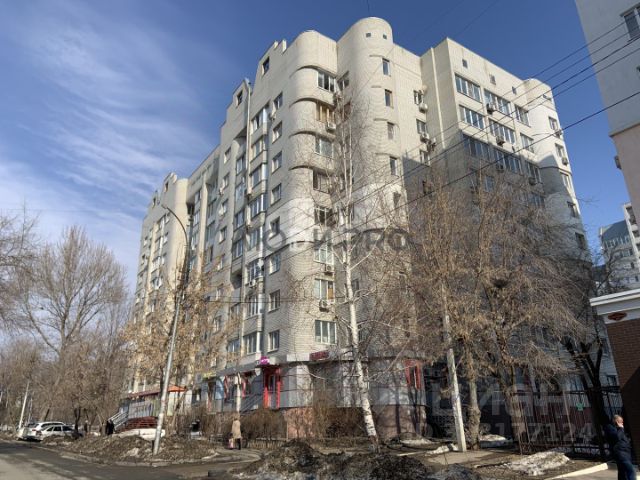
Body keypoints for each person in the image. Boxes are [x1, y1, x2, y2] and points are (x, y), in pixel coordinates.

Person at [605, 415, 636, 480]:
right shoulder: (610, 427)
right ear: (616, 421)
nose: (622, 423)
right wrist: (621, 428)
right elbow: (617, 437)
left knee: (622, 472)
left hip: (625, 453)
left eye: (622, 421)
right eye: (621, 421)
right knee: (631, 470)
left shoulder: (618, 429)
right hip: (620, 453)